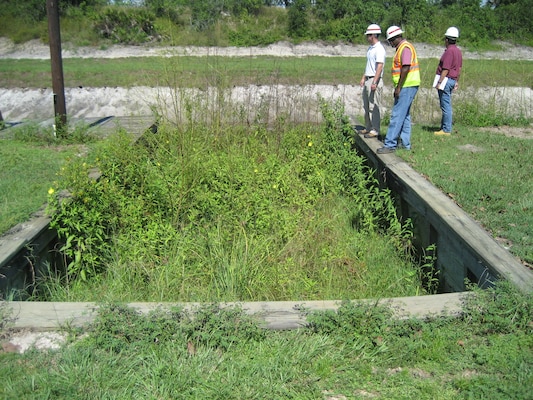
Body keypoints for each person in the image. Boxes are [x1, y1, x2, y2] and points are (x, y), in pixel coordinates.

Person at [377, 26, 420, 154]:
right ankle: (405, 144)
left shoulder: (405, 48)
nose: (390, 43)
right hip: (408, 85)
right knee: (405, 115)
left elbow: (406, 67)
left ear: (396, 38)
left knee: (397, 115)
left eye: (390, 40)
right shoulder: (403, 47)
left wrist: (399, 87)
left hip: (407, 85)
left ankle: (390, 144)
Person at [434, 27, 463, 136]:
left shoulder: (449, 52)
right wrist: (456, 81)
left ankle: (446, 130)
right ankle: (444, 127)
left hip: (446, 80)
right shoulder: (458, 51)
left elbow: (446, 69)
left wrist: (440, 82)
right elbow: (459, 69)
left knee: (445, 105)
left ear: (447, 39)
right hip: (452, 80)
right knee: (446, 104)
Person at [359, 24, 386, 139]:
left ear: (374, 35)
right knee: (366, 105)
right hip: (368, 78)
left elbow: (379, 66)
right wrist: (363, 77)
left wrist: (375, 81)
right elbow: (369, 65)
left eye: (369, 35)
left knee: (373, 105)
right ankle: (368, 127)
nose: (367, 37)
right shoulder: (371, 48)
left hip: (374, 79)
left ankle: (375, 129)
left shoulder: (379, 49)